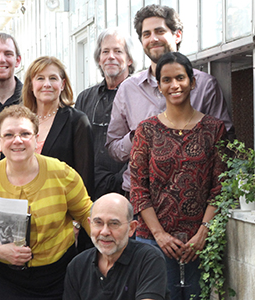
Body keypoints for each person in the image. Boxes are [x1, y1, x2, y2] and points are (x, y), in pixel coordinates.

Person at [0, 105, 93, 299]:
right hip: (0, 276)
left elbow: (87, 214)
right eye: (9, 135)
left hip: (56, 277)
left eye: (25, 133)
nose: (17, 140)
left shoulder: (62, 173)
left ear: (36, 138)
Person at [106, 4, 232, 195]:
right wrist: (137, 136)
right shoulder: (128, 89)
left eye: (159, 31)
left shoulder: (205, 86)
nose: (153, 38)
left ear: (177, 35)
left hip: (192, 195)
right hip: (139, 196)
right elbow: (113, 149)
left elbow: (226, 145)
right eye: (146, 34)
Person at [130, 52, 226, 300]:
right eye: (167, 80)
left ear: (192, 82)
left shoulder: (214, 129)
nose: (174, 85)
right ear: (159, 86)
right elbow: (138, 189)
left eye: (180, 78)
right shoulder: (146, 130)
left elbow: (220, 186)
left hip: (199, 243)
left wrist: (203, 232)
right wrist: (160, 235)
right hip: (153, 241)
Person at [63, 193, 168, 300]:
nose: (104, 232)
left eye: (114, 224)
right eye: (98, 222)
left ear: (131, 228)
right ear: (90, 224)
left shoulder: (149, 259)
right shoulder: (78, 265)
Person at [21, 56, 94, 198]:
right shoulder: (19, 120)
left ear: (62, 84)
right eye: (40, 78)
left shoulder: (77, 121)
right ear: (31, 84)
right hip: (20, 205)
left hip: (61, 207)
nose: (47, 84)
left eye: (53, 78)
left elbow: (85, 177)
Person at [75, 28, 135, 199]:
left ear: (129, 59)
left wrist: (118, 179)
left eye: (118, 51)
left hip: (127, 188)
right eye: (105, 51)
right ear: (98, 59)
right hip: (89, 188)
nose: (111, 56)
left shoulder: (140, 95)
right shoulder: (85, 98)